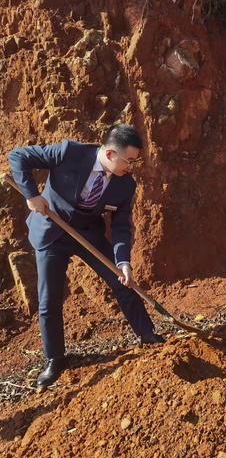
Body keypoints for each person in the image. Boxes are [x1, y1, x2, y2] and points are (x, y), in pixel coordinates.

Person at [8, 123, 165, 387]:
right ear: (111, 154)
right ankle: (55, 359)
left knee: (121, 279)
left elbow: (121, 225)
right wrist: (32, 195)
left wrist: (123, 261)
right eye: (129, 161)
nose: (131, 167)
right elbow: (18, 156)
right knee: (49, 300)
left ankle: (147, 333)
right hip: (52, 230)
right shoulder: (69, 153)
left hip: (88, 234)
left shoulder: (125, 184)